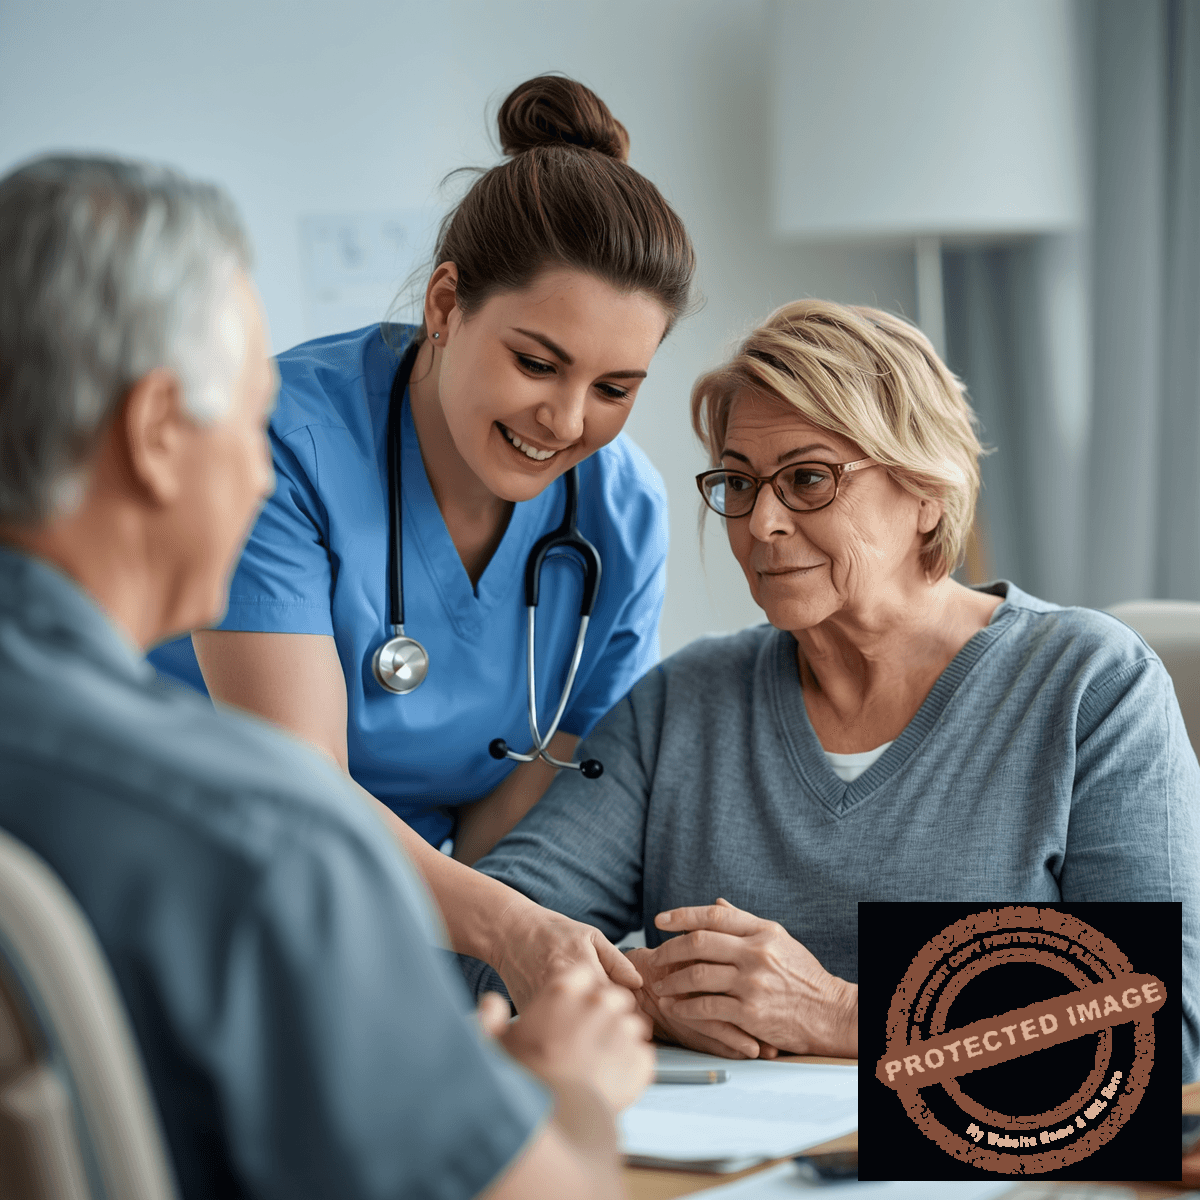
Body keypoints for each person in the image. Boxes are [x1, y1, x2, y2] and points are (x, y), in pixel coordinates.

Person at [0, 153, 653, 1200]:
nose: (266, 471)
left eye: (615, 386)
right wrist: (565, 1089)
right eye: (250, 418)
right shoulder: (266, 842)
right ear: (160, 434)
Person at [457, 299, 1200, 1080]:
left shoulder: (1093, 684)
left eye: (807, 479)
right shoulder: (683, 702)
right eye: (737, 483)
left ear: (926, 491)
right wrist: (653, 1001)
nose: (761, 523)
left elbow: (1165, 1026)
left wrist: (840, 1012)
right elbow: (488, 942)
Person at [147, 74, 695, 1007]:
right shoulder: (280, 442)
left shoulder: (621, 514)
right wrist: (513, 934)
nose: (565, 420)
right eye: (536, 362)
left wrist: (475, 980)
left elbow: (523, 807)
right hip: (189, 889)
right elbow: (295, 788)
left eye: (615, 388)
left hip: (405, 924)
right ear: (446, 305)